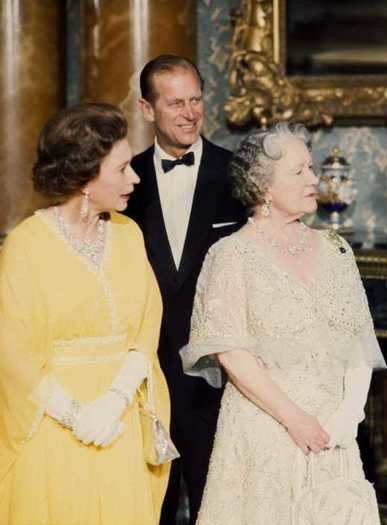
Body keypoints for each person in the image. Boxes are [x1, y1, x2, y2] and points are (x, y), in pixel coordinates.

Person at [179, 122, 386, 524]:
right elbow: (232, 355)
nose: (314, 178)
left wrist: (348, 416)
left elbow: (360, 339)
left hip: (334, 433)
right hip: (266, 430)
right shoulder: (231, 255)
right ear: (264, 188)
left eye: (311, 168)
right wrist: (296, 420)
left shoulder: (334, 247)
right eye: (299, 171)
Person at [0, 103, 171, 524]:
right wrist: (78, 416)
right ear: (84, 176)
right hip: (54, 427)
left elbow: (147, 326)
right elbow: (12, 354)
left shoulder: (129, 236)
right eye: (122, 168)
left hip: (119, 424)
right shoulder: (26, 246)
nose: (135, 178)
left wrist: (113, 402)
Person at [126, 54, 246, 524]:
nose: (190, 113)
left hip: (217, 379)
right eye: (175, 102)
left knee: (214, 507)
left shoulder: (238, 174)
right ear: (147, 109)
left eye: (196, 99)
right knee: (147, 507)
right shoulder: (125, 182)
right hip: (144, 380)